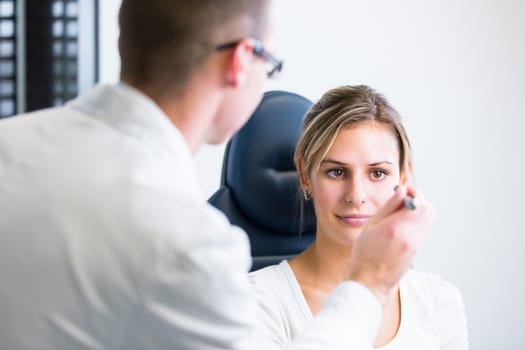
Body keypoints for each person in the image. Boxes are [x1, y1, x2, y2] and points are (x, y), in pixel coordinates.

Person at [0, 0, 433, 349]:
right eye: (271, 63)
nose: (357, 193)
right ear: (242, 60)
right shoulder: (188, 244)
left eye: (378, 173)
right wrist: (370, 283)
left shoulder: (8, 145)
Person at [249, 85, 468, 349]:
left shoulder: (439, 301)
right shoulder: (255, 302)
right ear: (305, 176)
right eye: (336, 172)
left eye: (377, 173)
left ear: (403, 176)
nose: (356, 195)